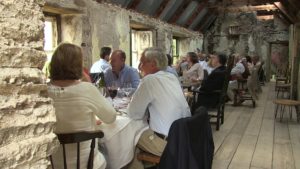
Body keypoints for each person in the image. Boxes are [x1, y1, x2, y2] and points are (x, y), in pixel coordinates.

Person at [48, 43, 116, 169]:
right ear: (78, 65)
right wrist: (87, 81)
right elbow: (111, 117)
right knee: (109, 152)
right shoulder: (86, 89)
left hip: (53, 163)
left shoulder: (43, 91)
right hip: (86, 163)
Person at [127, 47, 191, 169]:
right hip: (184, 138)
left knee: (129, 139)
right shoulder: (172, 77)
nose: (139, 66)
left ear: (153, 64)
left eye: (142, 62)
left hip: (167, 144)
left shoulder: (149, 80)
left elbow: (133, 113)